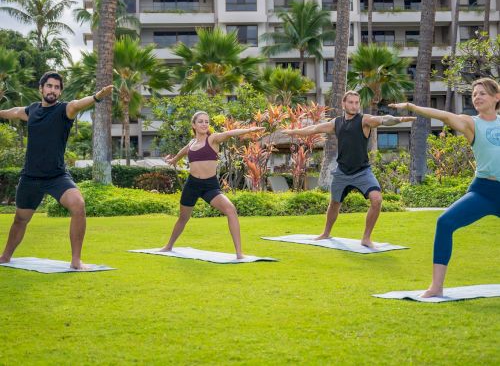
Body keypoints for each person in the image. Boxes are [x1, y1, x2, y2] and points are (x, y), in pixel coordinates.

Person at [389, 77, 500, 297]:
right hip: (483, 191)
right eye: (474, 93)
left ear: (497, 97)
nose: (476, 97)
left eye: (482, 93)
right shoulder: (471, 123)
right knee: (445, 222)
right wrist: (412, 107)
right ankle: (436, 287)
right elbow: (443, 115)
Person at [0, 72, 113, 270]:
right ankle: (6, 256)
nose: (53, 90)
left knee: (78, 205)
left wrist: (96, 97)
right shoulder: (32, 110)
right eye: (49, 86)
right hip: (31, 177)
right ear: (41, 89)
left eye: (57, 87)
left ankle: (76, 260)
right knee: (20, 219)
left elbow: (78, 104)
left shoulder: (64, 110)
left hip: (57, 176)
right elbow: (15, 111)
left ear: (60, 91)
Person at [282, 91, 416, 248]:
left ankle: (366, 238)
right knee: (334, 203)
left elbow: (382, 119)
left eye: (357, 102)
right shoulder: (336, 123)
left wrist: (399, 119)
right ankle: (326, 233)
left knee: (377, 200)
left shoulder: (364, 120)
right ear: (343, 104)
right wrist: (294, 132)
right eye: (351, 102)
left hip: (362, 172)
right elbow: (314, 128)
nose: (354, 105)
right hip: (342, 172)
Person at [161, 111, 264, 259]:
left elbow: (229, 133)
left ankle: (239, 253)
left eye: (206, 121)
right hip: (192, 185)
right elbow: (183, 152)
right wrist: (174, 159)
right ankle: (169, 246)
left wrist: (248, 130)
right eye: (201, 121)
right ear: (194, 125)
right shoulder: (191, 143)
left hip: (209, 186)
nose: (204, 124)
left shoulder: (213, 139)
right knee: (183, 218)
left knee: (231, 210)